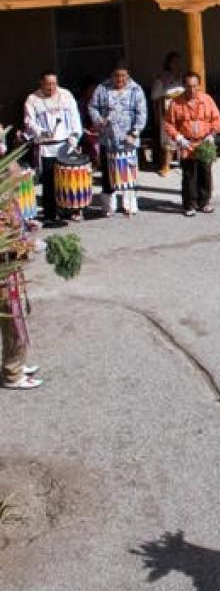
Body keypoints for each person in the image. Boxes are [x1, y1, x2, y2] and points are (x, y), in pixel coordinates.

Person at [23, 70, 83, 226]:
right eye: (48, 84)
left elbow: (75, 117)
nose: (51, 88)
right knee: (49, 181)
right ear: (41, 83)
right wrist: (40, 131)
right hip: (47, 147)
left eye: (54, 84)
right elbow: (29, 122)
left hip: (65, 144)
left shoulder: (66, 95)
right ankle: (50, 213)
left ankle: (70, 209)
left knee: (68, 179)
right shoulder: (33, 99)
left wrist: (75, 137)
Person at [1, 157, 40, 390]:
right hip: (4, 269)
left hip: (11, 268)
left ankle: (14, 362)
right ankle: (12, 373)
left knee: (15, 319)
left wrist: (27, 227)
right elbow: (5, 242)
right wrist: (29, 246)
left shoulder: (8, 198)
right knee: (11, 319)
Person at [89, 62, 147, 217]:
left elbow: (142, 113)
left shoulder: (136, 89)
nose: (120, 79)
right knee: (108, 174)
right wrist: (99, 120)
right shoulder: (102, 88)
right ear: (111, 75)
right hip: (108, 139)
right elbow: (92, 106)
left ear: (128, 75)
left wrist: (134, 133)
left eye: (123, 76)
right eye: (117, 76)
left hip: (129, 138)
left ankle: (129, 205)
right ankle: (109, 207)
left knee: (128, 172)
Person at [163, 72, 220, 217]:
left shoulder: (207, 100)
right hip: (186, 143)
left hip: (204, 142)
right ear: (184, 86)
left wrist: (212, 134)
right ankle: (189, 204)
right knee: (189, 175)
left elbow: (217, 118)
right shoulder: (175, 103)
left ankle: (204, 202)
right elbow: (168, 124)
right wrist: (178, 138)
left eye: (195, 86)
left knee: (205, 173)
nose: (192, 89)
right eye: (188, 86)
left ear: (199, 85)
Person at [150, 52, 184, 176]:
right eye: (174, 62)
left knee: (183, 138)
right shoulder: (162, 78)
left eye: (178, 62)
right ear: (168, 63)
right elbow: (154, 96)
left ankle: (183, 162)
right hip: (168, 111)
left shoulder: (183, 77)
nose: (177, 65)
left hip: (182, 111)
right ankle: (166, 165)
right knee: (169, 139)